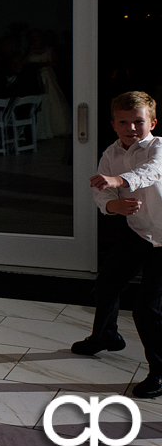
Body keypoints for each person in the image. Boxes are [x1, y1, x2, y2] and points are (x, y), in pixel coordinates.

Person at [71, 91, 162, 400]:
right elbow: (101, 194)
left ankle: (160, 373)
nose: (131, 128)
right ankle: (105, 336)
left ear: (152, 122)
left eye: (139, 121)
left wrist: (118, 182)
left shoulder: (159, 148)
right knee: (107, 285)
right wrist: (114, 207)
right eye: (123, 122)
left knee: (147, 308)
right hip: (137, 233)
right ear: (113, 124)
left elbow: (150, 173)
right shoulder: (111, 153)